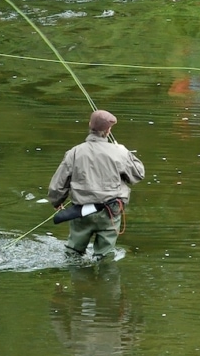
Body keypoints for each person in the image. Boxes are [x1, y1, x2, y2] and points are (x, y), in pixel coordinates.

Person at [48, 109, 145, 259]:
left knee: (73, 253)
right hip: (110, 213)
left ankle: (78, 281)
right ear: (108, 130)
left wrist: (57, 201)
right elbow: (138, 175)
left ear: (89, 125)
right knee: (105, 256)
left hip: (81, 212)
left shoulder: (74, 152)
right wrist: (126, 152)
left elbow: (58, 184)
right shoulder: (119, 152)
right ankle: (105, 280)